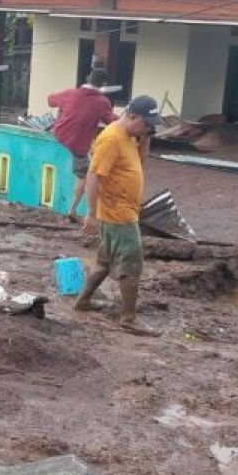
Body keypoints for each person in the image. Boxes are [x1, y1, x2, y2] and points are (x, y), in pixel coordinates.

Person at [75, 95, 161, 336]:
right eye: (146, 124)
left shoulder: (130, 136)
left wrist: (145, 138)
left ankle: (83, 301)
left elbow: (140, 164)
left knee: (104, 262)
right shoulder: (112, 138)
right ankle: (129, 318)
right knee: (133, 265)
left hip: (122, 211)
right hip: (118, 214)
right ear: (132, 117)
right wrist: (90, 213)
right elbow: (94, 176)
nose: (148, 128)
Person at [48, 68, 116, 222]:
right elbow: (111, 121)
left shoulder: (71, 93)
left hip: (59, 134)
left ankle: (73, 211)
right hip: (78, 146)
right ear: (103, 84)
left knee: (87, 165)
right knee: (87, 176)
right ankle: (75, 211)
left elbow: (50, 100)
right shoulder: (102, 102)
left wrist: (63, 108)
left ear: (87, 78)